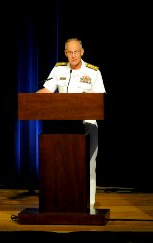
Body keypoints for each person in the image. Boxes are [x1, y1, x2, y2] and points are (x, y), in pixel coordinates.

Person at [37, 38, 106, 209]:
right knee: (64, 164)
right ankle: (65, 201)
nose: (73, 55)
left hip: (87, 124)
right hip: (62, 125)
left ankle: (88, 204)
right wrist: (32, 100)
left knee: (88, 164)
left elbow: (100, 99)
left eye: (76, 52)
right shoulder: (58, 68)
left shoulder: (93, 72)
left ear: (82, 52)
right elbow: (47, 90)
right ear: (65, 53)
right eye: (70, 52)